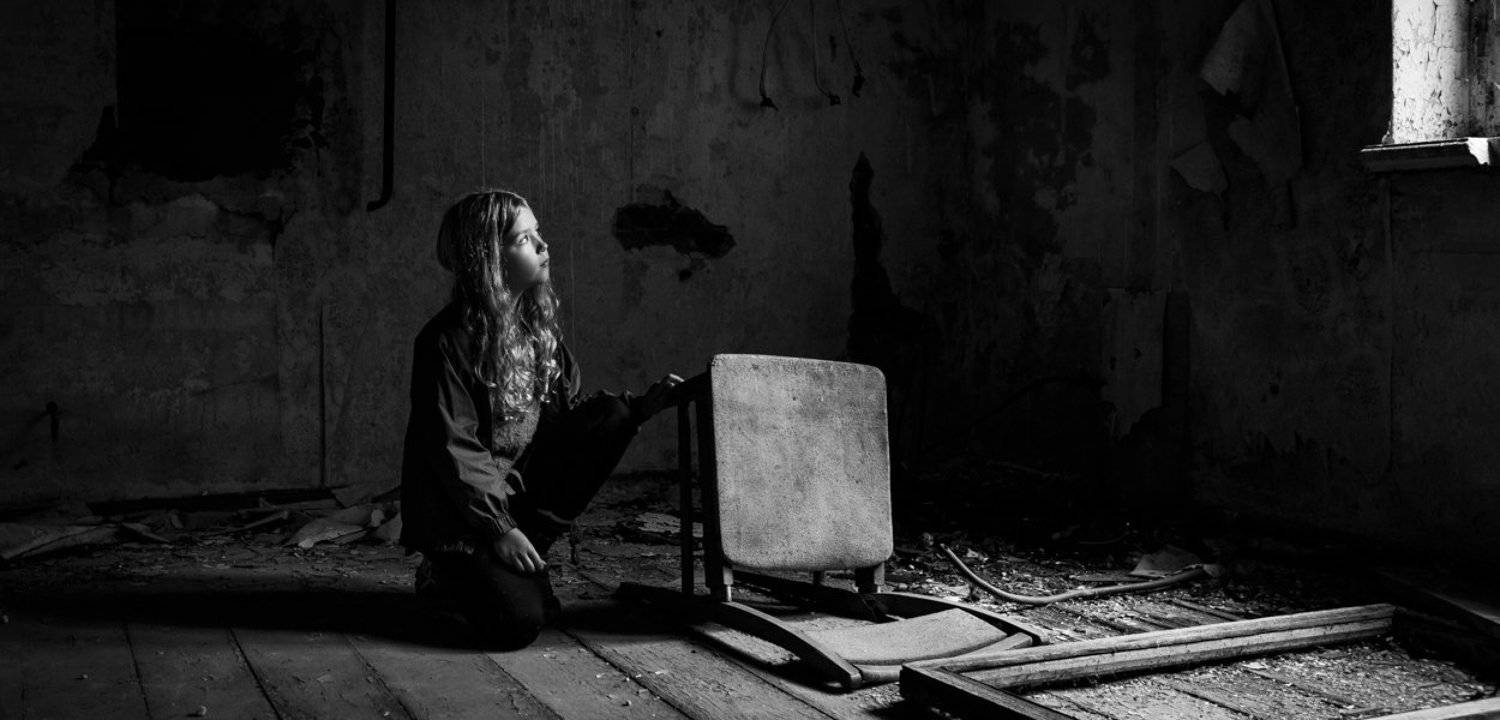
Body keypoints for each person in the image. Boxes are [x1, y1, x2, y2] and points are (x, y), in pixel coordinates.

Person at [399, 188, 682, 649]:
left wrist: (639, 409)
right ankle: (445, 568)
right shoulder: (444, 343)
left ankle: (531, 550)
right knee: (518, 624)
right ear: (489, 259)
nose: (543, 245)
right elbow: (455, 451)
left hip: (515, 497)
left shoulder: (535, 330)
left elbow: (567, 424)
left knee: (612, 416)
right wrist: (498, 528)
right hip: (461, 514)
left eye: (538, 233)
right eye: (524, 239)